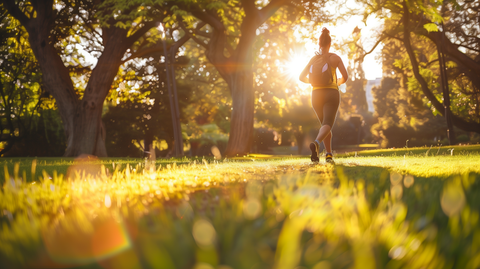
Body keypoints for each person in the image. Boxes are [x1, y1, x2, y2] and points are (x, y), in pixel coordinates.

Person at [299, 27, 348, 163]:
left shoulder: (314, 59)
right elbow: (345, 76)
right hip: (331, 93)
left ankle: (328, 154)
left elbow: (301, 77)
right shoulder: (335, 58)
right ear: (330, 44)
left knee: (324, 126)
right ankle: (316, 143)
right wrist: (338, 82)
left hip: (316, 95)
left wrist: (314, 82)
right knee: (327, 124)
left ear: (319, 44)